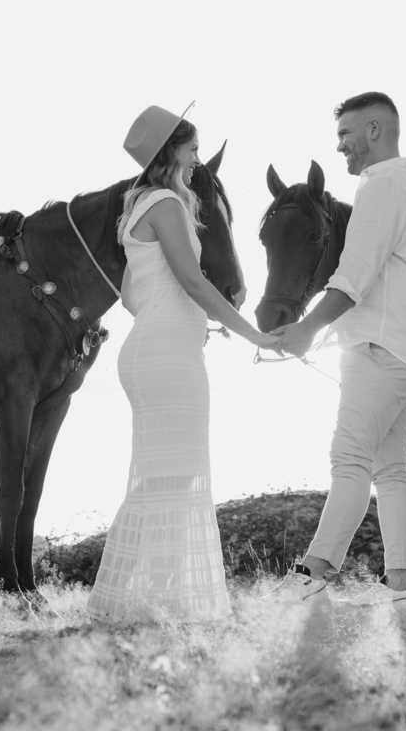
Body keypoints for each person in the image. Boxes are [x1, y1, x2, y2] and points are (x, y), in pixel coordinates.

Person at [87, 103, 280, 623]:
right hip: (169, 354)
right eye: (193, 149)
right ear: (171, 151)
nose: (198, 158)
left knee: (158, 479)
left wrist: (184, 317)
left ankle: (122, 600)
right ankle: (162, 602)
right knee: (175, 479)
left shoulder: (136, 207)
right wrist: (252, 333)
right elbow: (194, 282)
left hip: (147, 349)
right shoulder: (169, 204)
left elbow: (132, 296)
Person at [272, 92, 406, 615]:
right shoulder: (402, 185)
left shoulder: (384, 185)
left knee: (349, 459)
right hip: (404, 352)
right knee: (391, 470)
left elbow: (355, 276)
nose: (340, 146)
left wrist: (306, 328)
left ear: (374, 130)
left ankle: (312, 575)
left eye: (346, 134)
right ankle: (403, 590)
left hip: (381, 350)